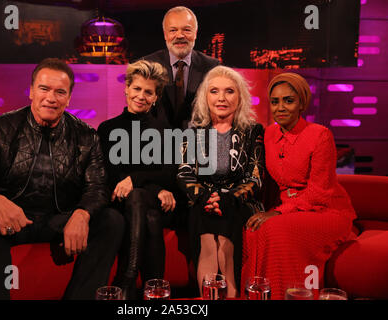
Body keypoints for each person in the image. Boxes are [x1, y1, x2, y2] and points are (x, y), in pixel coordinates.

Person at [0, 58, 124, 300]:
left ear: (69, 99)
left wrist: (82, 213)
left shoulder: (86, 136)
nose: (51, 98)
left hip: (60, 220)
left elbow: (98, 187)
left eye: (60, 92)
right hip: (15, 220)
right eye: (44, 89)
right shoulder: (0, 127)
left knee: (112, 220)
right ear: (31, 91)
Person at [241, 72, 356, 299]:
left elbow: (318, 193)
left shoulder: (320, 135)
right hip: (289, 209)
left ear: (301, 103)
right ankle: (256, 295)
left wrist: (278, 212)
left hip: (325, 209)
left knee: (275, 228)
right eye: (275, 102)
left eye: (288, 100)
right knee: (252, 230)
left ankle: (286, 295)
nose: (280, 107)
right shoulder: (267, 134)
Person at [177, 66, 265, 298]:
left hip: (238, 202)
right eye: (214, 91)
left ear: (240, 97)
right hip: (203, 200)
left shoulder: (253, 131)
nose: (222, 98)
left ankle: (231, 292)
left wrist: (229, 197)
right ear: (206, 97)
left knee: (228, 216)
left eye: (229, 91)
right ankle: (209, 294)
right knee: (202, 215)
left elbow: (254, 176)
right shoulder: (192, 131)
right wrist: (206, 197)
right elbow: (184, 172)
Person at [97, 60, 178, 299]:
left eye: (148, 92)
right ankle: (155, 289)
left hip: (158, 203)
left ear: (156, 97)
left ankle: (127, 278)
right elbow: (111, 174)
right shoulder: (107, 129)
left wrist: (135, 178)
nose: (141, 96)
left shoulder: (165, 132)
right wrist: (154, 186)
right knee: (148, 213)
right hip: (121, 202)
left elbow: (170, 173)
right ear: (127, 89)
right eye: (137, 89)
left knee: (139, 196)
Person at [142, 6, 220, 129]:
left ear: (195, 33)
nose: (179, 35)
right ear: (165, 35)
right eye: (173, 30)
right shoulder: (147, 64)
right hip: (156, 141)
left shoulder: (212, 67)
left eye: (187, 30)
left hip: (198, 141)